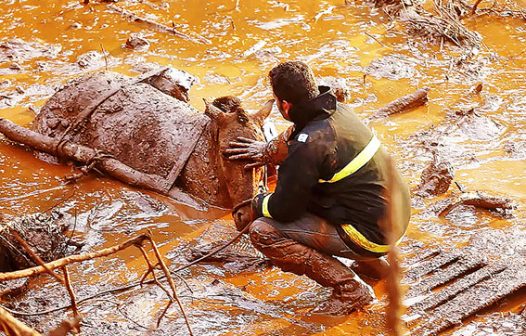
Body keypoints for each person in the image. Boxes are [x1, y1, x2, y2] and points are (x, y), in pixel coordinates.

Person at [225, 61, 411, 315]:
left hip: (370, 235)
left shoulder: (308, 146)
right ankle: (377, 268)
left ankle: (349, 289)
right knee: (332, 197)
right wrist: (267, 151)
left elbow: (284, 210)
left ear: (285, 105)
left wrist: (257, 203)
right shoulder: (337, 112)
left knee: (263, 230)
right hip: (395, 218)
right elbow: (293, 136)